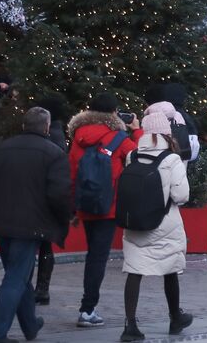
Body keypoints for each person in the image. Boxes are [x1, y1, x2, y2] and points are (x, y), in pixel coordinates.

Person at [0, 106, 71, 343]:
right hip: (32, 224)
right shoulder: (54, 154)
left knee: (18, 275)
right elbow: (59, 194)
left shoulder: (1, 150)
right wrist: (64, 218)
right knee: (15, 278)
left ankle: (30, 325)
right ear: (47, 127)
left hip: (2, 222)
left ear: (24, 125)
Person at [118, 112, 194, 341]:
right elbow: (181, 195)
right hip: (164, 222)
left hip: (136, 221)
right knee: (170, 270)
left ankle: (130, 325)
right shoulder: (172, 159)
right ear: (166, 133)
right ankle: (175, 317)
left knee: (134, 270)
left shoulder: (132, 155)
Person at [67, 92, 138, 328]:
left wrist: (73, 208)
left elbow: (72, 173)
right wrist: (137, 130)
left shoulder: (78, 136)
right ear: (114, 113)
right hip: (109, 206)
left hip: (86, 205)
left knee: (93, 255)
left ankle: (88, 308)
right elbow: (140, 157)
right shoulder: (118, 137)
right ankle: (87, 309)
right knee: (98, 257)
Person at [34, 95, 72, 307]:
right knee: (45, 245)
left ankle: (41, 288)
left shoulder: (50, 136)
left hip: (39, 197)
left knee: (41, 245)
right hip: (47, 199)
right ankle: (42, 288)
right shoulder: (58, 135)